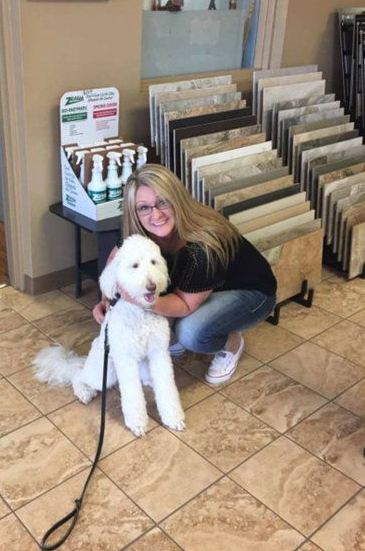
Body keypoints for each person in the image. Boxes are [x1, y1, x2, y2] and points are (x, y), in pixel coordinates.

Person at [92, 163, 277, 385]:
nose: (156, 214)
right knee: (153, 308)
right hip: (200, 284)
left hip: (250, 292)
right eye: (144, 208)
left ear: (177, 198)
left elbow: (184, 305)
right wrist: (105, 297)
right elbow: (115, 259)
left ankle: (232, 343)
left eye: (163, 202)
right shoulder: (137, 232)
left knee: (191, 333)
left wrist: (142, 301)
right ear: (135, 212)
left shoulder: (203, 247)